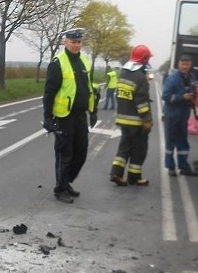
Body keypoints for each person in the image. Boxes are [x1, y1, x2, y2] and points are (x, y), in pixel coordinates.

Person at [42, 27, 97, 203]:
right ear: (66, 42)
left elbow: (90, 88)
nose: (76, 45)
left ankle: (67, 182)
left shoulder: (85, 61)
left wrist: (93, 111)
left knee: (81, 153)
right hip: (64, 116)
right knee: (65, 154)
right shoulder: (58, 62)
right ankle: (61, 189)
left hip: (81, 115)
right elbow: (49, 93)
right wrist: (48, 118)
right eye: (73, 42)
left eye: (79, 42)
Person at [109, 45, 154, 186]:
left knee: (124, 148)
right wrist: (146, 119)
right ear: (144, 59)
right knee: (139, 149)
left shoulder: (124, 73)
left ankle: (116, 173)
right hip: (137, 122)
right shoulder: (140, 78)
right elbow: (141, 102)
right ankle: (135, 177)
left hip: (123, 119)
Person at [161, 53, 198, 176]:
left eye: (187, 64)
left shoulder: (192, 77)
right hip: (172, 114)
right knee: (170, 141)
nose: (185, 66)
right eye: (183, 64)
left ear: (190, 65)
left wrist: (193, 98)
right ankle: (171, 167)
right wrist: (181, 97)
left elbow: (193, 90)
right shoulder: (172, 78)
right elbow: (165, 96)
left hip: (184, 114)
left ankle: (184, 167)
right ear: (179, 65)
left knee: (183, 140)